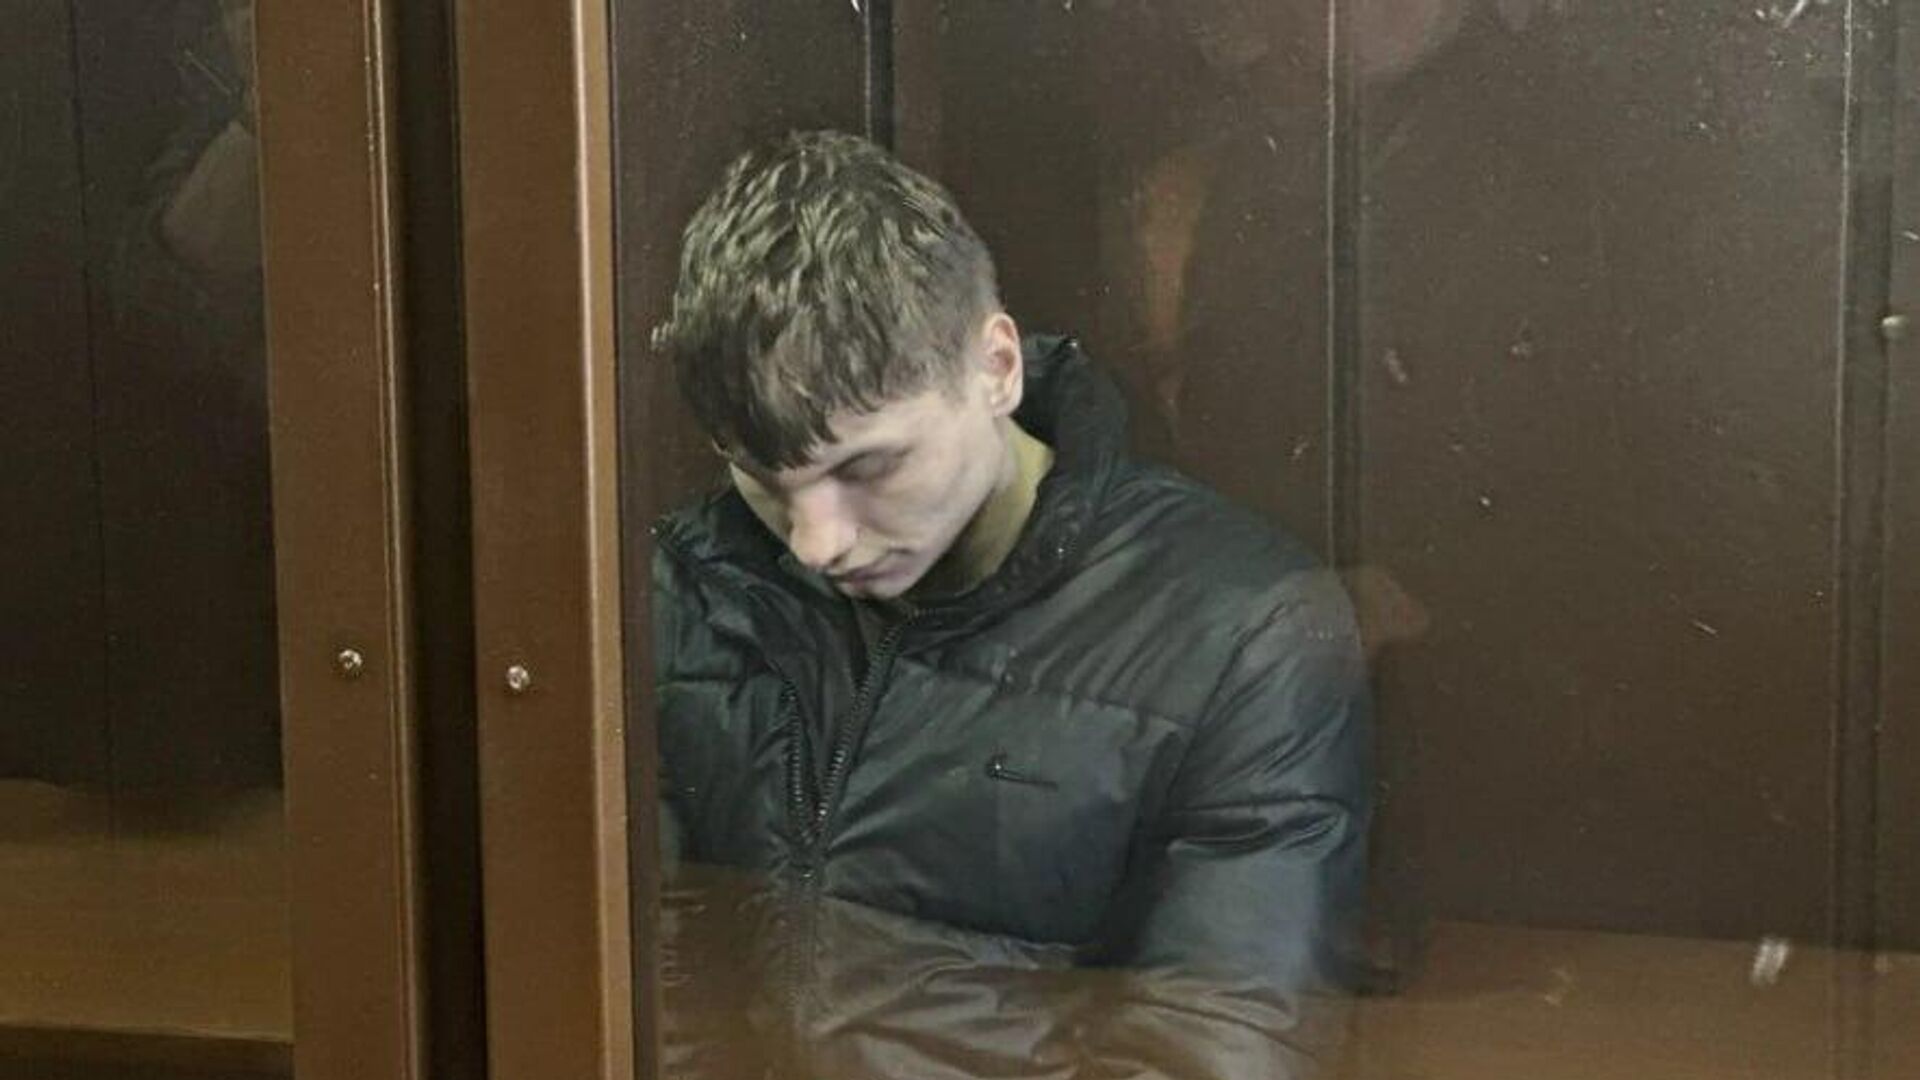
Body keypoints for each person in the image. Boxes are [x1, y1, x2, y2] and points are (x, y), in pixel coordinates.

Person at [647, 129, 1371, 1080]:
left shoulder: (1240, 628)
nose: (816, 543)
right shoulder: (691, 583)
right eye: (762, 478)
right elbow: (640, 985)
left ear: (995, 367)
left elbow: (1217, 1045)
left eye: (868, 468)